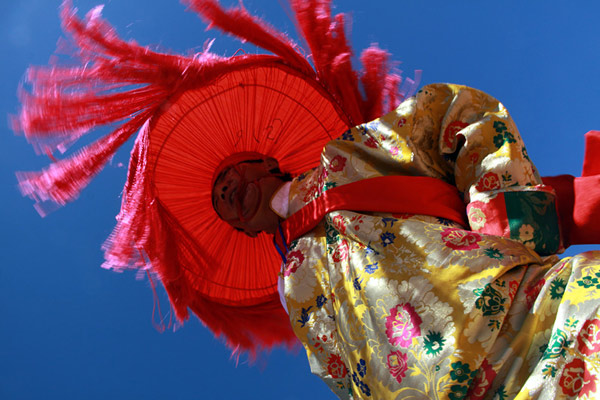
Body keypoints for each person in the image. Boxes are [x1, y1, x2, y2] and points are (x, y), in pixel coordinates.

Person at [14, 1, 600, 399]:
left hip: (540, 323)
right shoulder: (294, 288)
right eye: (221, 202)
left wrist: (510, 232)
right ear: (241, 233)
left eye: (229, 178)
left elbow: (459, 114)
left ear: (263, 159)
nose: (228, 193)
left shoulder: (351, 155)